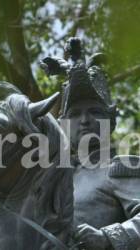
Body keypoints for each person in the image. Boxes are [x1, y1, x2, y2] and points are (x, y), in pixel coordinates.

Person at [41, 37, 140, 250]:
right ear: (64, 125)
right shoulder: (55, 178)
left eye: (94, 111)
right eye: (75, 114)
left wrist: (106, 238)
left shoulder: (119, 169)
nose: (85, 120)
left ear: (109, 121)